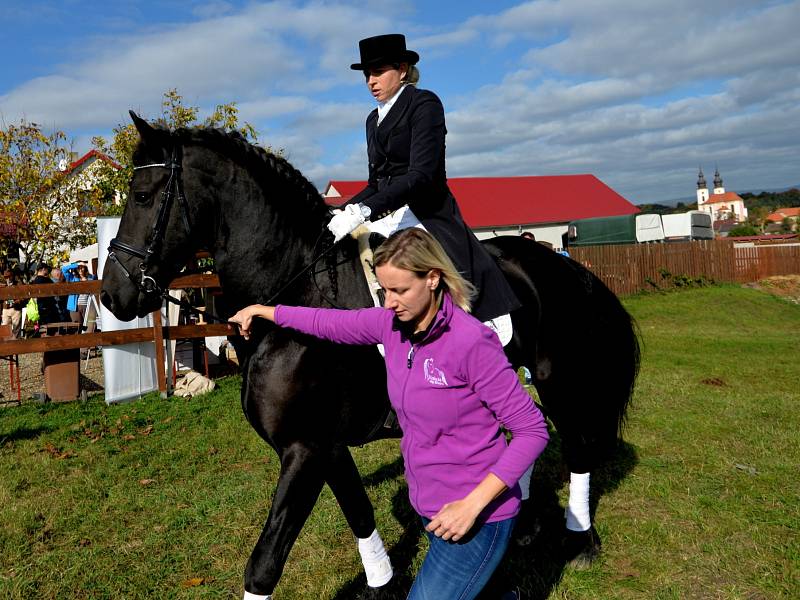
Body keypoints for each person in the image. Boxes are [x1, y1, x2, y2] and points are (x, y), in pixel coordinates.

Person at [230, 228, 549, 600]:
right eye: (384, 291)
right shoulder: (391, 326)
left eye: (399, 291)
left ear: (432, 278)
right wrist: (265, 311)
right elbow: (326, 322)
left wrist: (472, 506)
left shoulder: (470, 342)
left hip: (477, 516)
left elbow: (532, 429)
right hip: (433, 509)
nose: (389, 302)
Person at [327, 33, 520, 328]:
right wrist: (344, 210)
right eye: (367, 74)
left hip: (425, 210)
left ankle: (466, 328)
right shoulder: (372, 119)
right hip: (388, 212)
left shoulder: (424, 104)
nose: (370, 82)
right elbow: (377, 184)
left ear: (402, 69)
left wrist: (364, 211)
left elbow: (421, 175)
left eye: (378, 72)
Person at [62, 262, 96, 326]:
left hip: (88, 306)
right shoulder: (72, 278)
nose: (80, 269)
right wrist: (76, 264)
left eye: (82, 267)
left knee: (91, 326)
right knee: (78, 328)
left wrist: (84, 264)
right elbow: (64, 269)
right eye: (78, 268)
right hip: (75, 307)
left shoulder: (91, 278)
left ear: (85, 268)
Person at [2, 269, 25, 338]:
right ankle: (6, 344)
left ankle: (16, 345)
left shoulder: (18, 284)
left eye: (9, 276)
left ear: (12, 276)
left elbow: (24, 295)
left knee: (16, 330)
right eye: (6, 277)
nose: (8, 278)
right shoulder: (3, 285)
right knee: (5, 328)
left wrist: (18, 301)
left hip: (16, 309)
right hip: (6, 309)